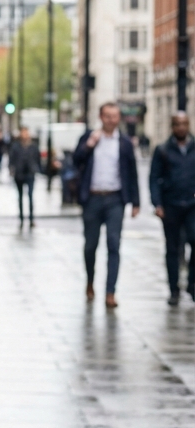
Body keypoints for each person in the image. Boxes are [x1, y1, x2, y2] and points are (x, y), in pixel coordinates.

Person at [73, 102, 140, 309]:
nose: (111, 120)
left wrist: (135, 202)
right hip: (92, 198)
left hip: (115, 199)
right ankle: (90, 281)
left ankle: (111, 292)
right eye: (108, 116)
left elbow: (132, 172)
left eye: (115, 116)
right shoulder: (89, 137)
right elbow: (75, 160)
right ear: (101, 117)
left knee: (114, 245)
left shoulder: (125, 143)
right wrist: (88, 145)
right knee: (90, 246)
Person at [149, 112, 195, 305]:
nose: (181, 128)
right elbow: (154, 179)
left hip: (192, 206)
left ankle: (192, 285)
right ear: (172, 127)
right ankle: (173, 289)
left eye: (184, 124)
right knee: (173, 248)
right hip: (171, 205)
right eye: (177, 124)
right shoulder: (163, 150)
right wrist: (157, 204)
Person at [9, 126, 41, 229]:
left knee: (30, 196)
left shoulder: (33, 146)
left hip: (30, 173)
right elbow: (11, 159)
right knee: (20, 197)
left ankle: (31, 218)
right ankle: (21, 218)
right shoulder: (16, 146)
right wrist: (12, 169)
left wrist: (36, 169)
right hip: (19, 173)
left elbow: (37, 158)